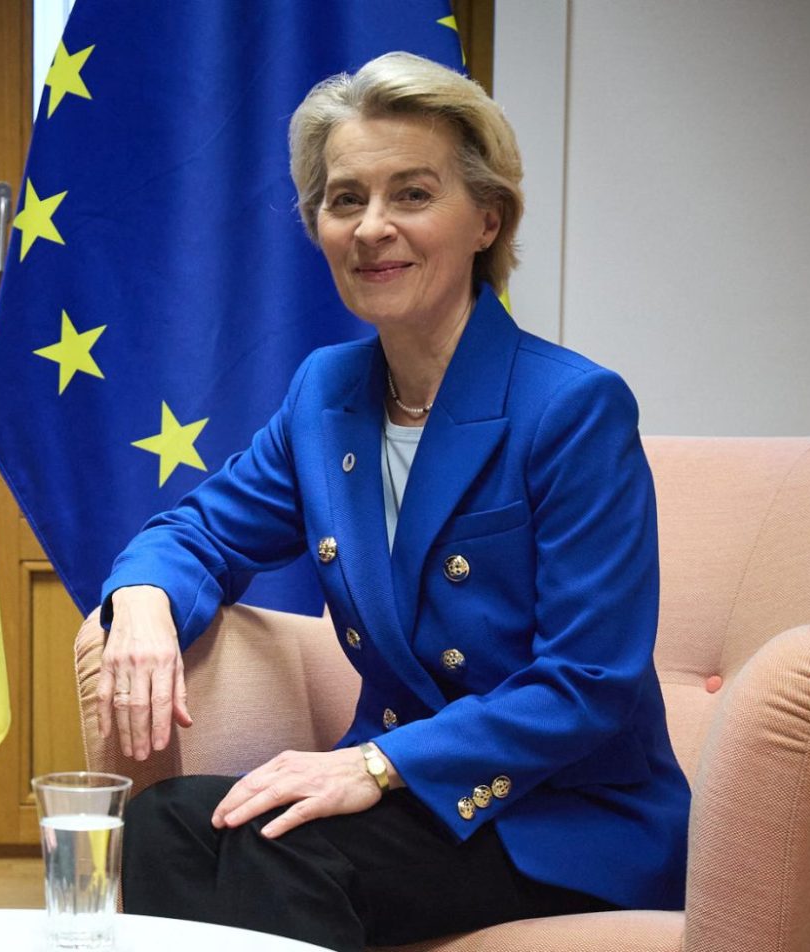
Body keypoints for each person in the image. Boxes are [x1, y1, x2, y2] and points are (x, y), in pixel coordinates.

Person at [97, 52, 690, 951]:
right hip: (402, 800)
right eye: (346, 199)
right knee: (165, 823)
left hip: (559, 816)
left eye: (412, 194)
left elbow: (587, 682)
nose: (373, 227)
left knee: (277, 853)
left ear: (487, 218)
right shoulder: (325, 394)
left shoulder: (572, 407)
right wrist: (143, 599)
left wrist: (376, 766)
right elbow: (200, 530)